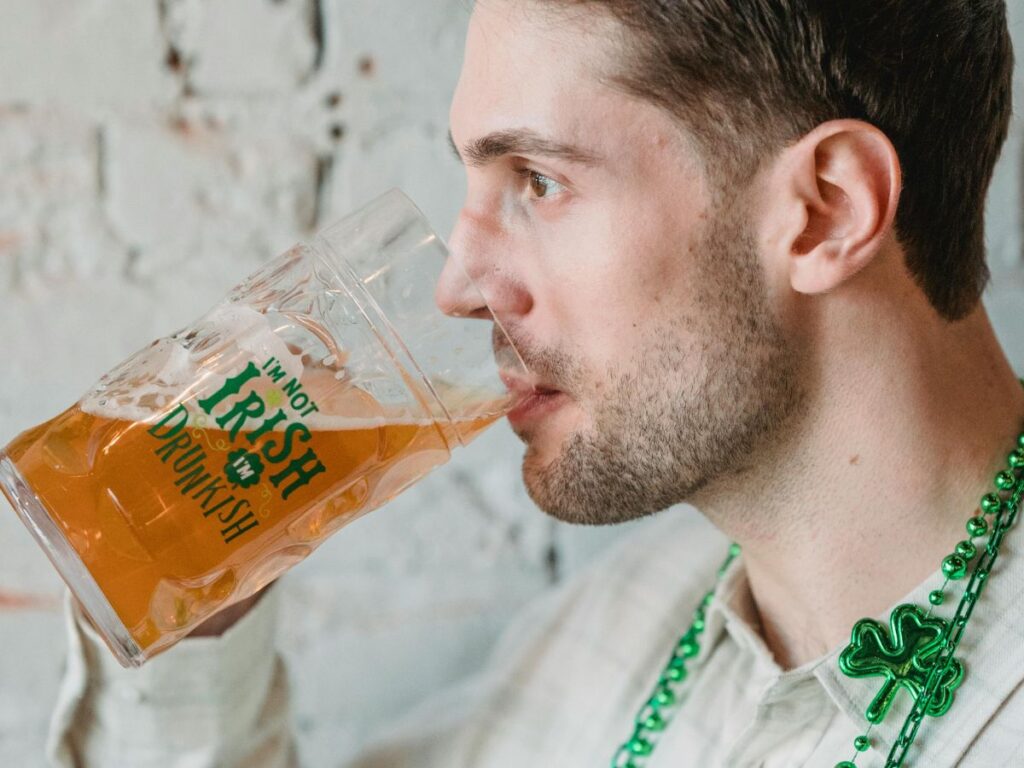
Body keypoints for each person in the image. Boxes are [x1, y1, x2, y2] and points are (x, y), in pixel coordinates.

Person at [47, 1, 1024, 766]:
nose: (456, 287)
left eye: (539, 182)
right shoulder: (615, 633)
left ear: (823, 211)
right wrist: (195, 606)